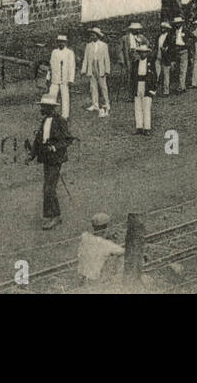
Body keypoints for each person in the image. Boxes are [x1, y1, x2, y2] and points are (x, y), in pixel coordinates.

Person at [31, 93, 72, 230]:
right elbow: (38, 140)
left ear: (50, 107)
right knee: (47, 187)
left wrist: (54, 147)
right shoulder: (43, 121)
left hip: (55, 159)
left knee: (49, 188)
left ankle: (54, 216)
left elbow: (67, 140)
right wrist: (31, 156)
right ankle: (52, 215)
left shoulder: (60, 120)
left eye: (43, 107)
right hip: (46, 158)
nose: (41, 109)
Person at [77, 213, 125, 283]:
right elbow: (123, 251)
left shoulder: (85, 236)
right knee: (119, 257)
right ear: (106, 227)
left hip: (82, 279)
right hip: (95, 281)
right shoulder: (106, 244)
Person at [81, 27, 111, 117]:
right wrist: (84, 69)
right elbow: (86, 58)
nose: (92, 36)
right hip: (92, 66)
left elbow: (107, 58)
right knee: (93, 86)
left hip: (101, 67)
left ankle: (107, 104)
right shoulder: (88, 45)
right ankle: (95, 105)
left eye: (93, 34)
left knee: (103, 87)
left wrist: (107, 70)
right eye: (91, 34)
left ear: (97, 36)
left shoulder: (104, 45)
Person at [49, 34, 76, 119]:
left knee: (65, 97)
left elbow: (72, 66)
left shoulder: (69, 52)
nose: (61, 43)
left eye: (62, 42)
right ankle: (50, 114)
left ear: (65, 43)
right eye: (59, 42)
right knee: (52, 96)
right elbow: (51, 66)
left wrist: (71, 79)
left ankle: (65, 115)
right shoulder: (54, 52)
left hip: (65, 79)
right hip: (55, 79)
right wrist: (48, 77)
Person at [130, 42, 154, 135]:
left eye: (144, 52)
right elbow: (132, 77)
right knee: (138, 107)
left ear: (147, 53)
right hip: (138, 85)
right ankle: (139, 127)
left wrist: (153, 89)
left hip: (146, 86)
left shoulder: (150, 64)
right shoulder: (136, 63)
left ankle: (147, 128)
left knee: (146, 107)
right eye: (140, 52)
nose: (142, 54)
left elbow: (154, 77)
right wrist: (132, 88)